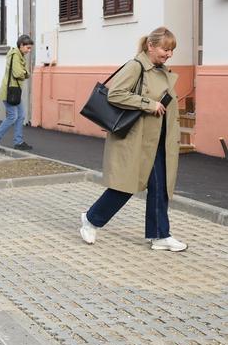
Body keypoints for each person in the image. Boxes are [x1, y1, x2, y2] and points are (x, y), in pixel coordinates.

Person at [79, 27, 185, 252]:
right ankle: (90, 220)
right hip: (136, 140)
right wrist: (149, 104)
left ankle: (160, 235)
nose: (169, 54)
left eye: (171, 50)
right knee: (125, 187)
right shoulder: (136, 67)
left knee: (159, 188)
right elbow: (115, 93)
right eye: (165, 49)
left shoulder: (160, 70)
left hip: (157, 140)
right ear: (151, 46)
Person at [0, 34, 35, 152]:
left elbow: (22, 71)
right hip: (9, 91)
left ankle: (18, 142)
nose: (29, 51)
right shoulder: (15, 55)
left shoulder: (20, 55)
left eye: (30, 48)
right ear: (21, 45)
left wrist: (24, 72)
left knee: (21, 115)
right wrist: (26, 73)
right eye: (28, 48)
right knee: (12, 116)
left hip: (15, 91)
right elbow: (18, 73)